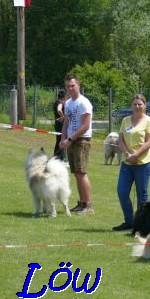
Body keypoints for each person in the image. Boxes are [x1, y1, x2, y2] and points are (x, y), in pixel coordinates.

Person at [112, 94, 150, 231]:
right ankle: (129, 221)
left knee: (142, 195)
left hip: (143, 163)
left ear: (145, 106)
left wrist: (136, 154)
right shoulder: (125, 120)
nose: (137, 106)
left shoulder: (149, 121)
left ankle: (141, 225)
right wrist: (127, 154)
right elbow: (120, 139)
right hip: (127, 163)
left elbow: (149, 141)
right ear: (131, 106)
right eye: (135, 104)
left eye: (140, 104)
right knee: (122, 192)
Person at [59, 74, 94, 214]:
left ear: (78, 85)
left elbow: (85, 126)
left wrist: (70, 139)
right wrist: (63, 139)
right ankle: (82, 203)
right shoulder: (68, 103)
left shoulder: (84, 102)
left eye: (73, 85)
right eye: (68, 86)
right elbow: (66, 123)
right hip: (71, 140)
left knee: (81, 172)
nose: (70, 88)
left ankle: (89, 205)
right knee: (76, 173)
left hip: (81, 140)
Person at [53, 90, 66, 159]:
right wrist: (63, 117)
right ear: (64, 97)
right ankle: (60, 158)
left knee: (58, 140)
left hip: (57, 123)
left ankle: (56, 157)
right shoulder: (60, 103)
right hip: (61, 124)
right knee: (62, 140)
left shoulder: (55, 102)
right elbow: (59, 110)